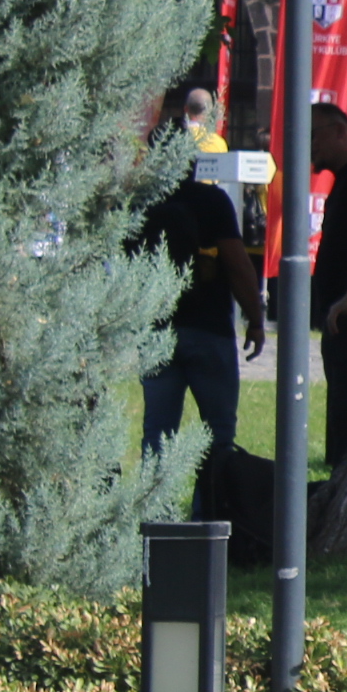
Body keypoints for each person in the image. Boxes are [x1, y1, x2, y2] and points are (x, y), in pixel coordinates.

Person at [143, 100, 263, 469]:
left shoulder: (142, 203)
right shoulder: (212, 201)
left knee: (158, 435)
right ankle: (209, 512)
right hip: (208, 326)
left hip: (157, 329)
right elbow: (237, 263)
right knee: (219, 433)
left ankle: (156, 521)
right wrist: (255, 319)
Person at [306, 100, 347, 471]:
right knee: (339, 396)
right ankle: (338, 469)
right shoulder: (342, 182)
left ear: (339, 131)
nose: (310, 145)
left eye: (314, 135)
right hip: (337, 318)